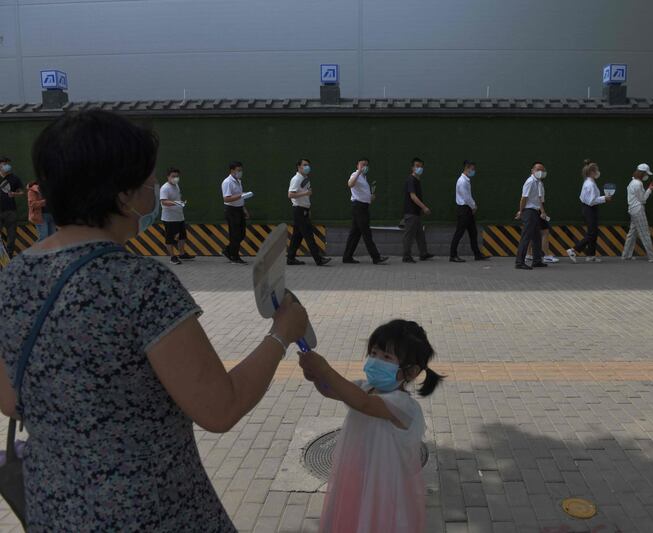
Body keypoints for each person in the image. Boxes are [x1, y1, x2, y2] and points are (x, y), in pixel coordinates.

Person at [0, 110, 310, 531]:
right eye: (148, 179)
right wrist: (281, 334)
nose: (154, 185)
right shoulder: (140, 284)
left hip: (55, 508)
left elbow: (10, 399)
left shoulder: (12, 278)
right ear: (124, 195)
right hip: (152, 510)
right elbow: (220, 408)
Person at [298, 319, 443, 533]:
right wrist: (317, 377)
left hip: (385, 490)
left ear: (411, 372)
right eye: (373, 353)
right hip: (356, 478)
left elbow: (363, 403)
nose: (376, 361)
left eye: (386, 357)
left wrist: (325, 369)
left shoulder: (403, 406)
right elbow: (331, 390)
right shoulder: (365, 388)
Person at [286, 159, 331, 266]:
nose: (307, 167)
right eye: (305, 165)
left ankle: (290, 258)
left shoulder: (304, 178)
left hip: (303, 210)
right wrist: (306, 193)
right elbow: (290, 195)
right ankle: (318, 259)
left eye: (308, 165)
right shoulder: (296, 179)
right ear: (299, 167)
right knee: (308, 235)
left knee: (297, 236)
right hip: (299, 210)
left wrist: (308, 209)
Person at [343, 158, 388, 265]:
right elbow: (350, 184)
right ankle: (376, 257)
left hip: (362, 207)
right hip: (359, 208)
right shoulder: (355, 174)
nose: (365, 167)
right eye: (362, 164)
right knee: (366, 233)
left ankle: (347, 257)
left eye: (366, 165)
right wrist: (358, 171)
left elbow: (361, 193)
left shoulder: (364, 177)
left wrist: (370, 197)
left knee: (355, 234)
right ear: (357, 165)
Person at [567, 160, 612, 263]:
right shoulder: (590, 184)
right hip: (590, 209)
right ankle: (573, 250)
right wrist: (605, 198)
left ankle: (591, 255)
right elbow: (591, 201)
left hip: (589, 209)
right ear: (592, 171)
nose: (598, 172)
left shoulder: (589, 182)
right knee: (592, 233)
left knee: (593, 232)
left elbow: (590, 199)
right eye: (597, 170)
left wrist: (603, 198)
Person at [621, 163, 653, 263]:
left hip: (632, 209)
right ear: (642, 173)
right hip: (638, 210)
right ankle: (652, 257)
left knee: (632, 233)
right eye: (646, 173)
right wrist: (649, 190)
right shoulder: (638, 184)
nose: (647, 176)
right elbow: (643, 199)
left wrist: (648, 189)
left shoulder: (632, 182)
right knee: (645, 233)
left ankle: (626, 255)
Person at [450, 161, 489, 262]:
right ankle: (453, 255)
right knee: (459, 233)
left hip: (467, 209)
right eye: (472, 169)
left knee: (473, 232)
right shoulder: (462, 181)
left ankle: (477, 255)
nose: (473, 171)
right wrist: (474, 206)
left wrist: (472, 206)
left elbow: (468, 196)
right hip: (464, 210)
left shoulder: (466, 180)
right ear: (467, 168)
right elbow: (466, 197)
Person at [514, 162, 548, 269]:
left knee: (536, 237)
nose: (540, 172)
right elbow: (524, 198)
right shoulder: (530, 182)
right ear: (532, 171)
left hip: (535, 212)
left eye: (542, 170)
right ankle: (519, 262)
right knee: (526, 236)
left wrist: (542, 212)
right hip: (529, 211)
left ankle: (537, 260)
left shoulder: (539, 183)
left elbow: (539, 200)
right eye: (538, 169)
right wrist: (521, 211)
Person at [402, 158, 434, 263]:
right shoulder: (411, 179)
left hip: (416, 213)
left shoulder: (417, 180)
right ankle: (406, 256)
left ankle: (423, 253)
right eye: (417, 166)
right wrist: (424, 207)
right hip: (411, 213)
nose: (419, 168)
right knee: (409, 235)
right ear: (412, 168)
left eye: (421, 166)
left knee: (420, 234)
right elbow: (413, 196)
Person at [160, 167, 193, 265]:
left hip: (179, 216)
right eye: (173, 176)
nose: (175, 178)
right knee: (170, 238)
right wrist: (176, 203)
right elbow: (164, 201)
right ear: (168, 177)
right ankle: (172, 257)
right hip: (169, 218)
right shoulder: (165, 188)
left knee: (182, 236)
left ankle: (182, 254)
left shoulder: (176, 185)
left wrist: (179, 203)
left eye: (177, 176)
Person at [221, 161, 252, 265]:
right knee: (235, 234)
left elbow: (239, 197)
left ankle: (228, 250)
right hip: (231, 210)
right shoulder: (227, 182)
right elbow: (226, 198)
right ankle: (234, 256)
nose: (240, 172)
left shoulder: (238, 181)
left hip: (239, 209)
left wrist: (244, 209)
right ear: (232, 170)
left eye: (241, 170)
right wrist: (242, 196)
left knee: (242, 234)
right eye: (238, 170)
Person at [0, 157, 24, 257]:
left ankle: (9, 255)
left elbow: (21, 191)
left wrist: (15, 194)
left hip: (11, 211)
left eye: (7, 164)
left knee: (12, 235)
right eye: (4, 164)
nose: (6, 166)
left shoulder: (14, 178)